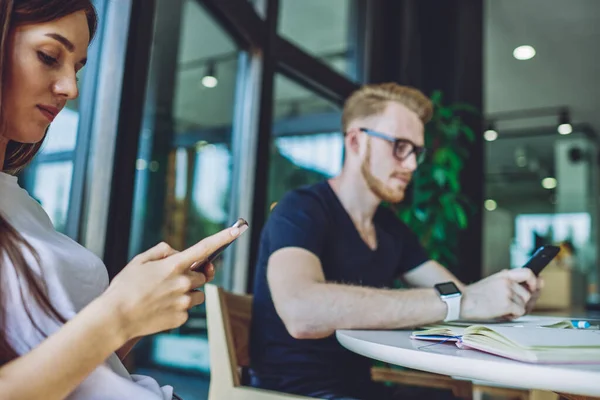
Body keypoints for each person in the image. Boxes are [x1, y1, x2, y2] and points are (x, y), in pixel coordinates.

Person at [0, 1, 247, 399]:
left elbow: (80, 376)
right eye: (49, 56)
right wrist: (119, 313)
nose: (70, 88)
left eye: (77, 67)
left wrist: (137, 313)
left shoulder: (23, 206)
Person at [249, 83, 543, 400]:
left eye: (416, 151)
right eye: (399, 146)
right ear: (356, 141)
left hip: (362, 388)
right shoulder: (302, 208)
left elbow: (458, 295)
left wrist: (501, 298)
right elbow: (300, 312)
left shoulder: (390, 229)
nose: (412, 165)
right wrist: (464, 301)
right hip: (293, 394)